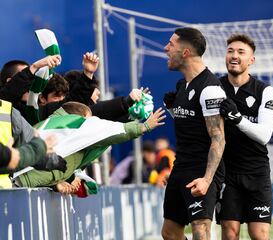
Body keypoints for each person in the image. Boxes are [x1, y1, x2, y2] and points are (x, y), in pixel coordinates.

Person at [162, 27, 226, 240]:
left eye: (171, 44)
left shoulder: (210, 89)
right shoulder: (182, 85)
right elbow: (191, 124)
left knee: (200, 229)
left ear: (186, 52)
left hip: (202, 169)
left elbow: (218, 137)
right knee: (170, 233)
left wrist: (207, 180)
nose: (166, 49)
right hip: (181, 167)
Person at [15, 101, 165, 188]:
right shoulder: (77, 125)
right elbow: (108, 131)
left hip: (22, 181)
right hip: (20, 183)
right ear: (80, 117)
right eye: (89, 120)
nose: (92, 126)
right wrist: (142, 127)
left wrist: (57, 184)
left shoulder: (55, 126)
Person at [217, 34, 273, 240]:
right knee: (230, 232)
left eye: (241, 52)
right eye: (230, 51)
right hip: (226, 172)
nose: (234, 56)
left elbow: (264, 135)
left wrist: (237, 119)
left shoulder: (265, 91)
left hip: (256, 172)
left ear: (251, 60)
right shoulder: (214, 90)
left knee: (259, 234)